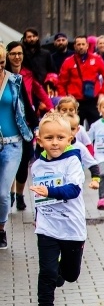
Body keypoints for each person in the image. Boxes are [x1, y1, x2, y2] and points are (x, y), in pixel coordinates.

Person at [29, 112, 87, 306]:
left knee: (70, 275)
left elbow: (73, 190)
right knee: (47, 272)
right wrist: (37, 216)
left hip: (72, 228)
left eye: (60, 138)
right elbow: (38, 197)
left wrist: (49, 191)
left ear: (69, 139)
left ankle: (61, 271)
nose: (55, 143)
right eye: (49, 138)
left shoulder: (73, 161)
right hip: (47, 228)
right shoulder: (37, 166)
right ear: (40, 140)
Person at [6, 42, 51, 213]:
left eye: (20, 53)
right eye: (13, 54)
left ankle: (19, 195)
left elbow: (33, 94)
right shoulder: (4, 76)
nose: (17, 57)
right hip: (8, 125)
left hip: (25, 124)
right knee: (9, 161)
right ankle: (9, 193)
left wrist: (48, 112)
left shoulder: (26, 74)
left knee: (24, 161)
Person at [0, 42, 35, 250]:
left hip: (12, 144)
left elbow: (26, 108)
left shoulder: (14, 81)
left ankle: (1, 229)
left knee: (3, 193)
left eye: (1, 62)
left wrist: (38, 127)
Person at [57, 35, 104, 127]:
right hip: (75, 102)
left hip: (93, 100)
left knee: (97, 127)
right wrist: (64, 99)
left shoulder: (96, 59)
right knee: (75, 128)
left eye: (83, 44)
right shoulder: (68, 62)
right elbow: (61, 83)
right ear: (74, 46)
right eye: (78, 44)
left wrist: (103, 93)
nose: (81, 47)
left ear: (87, 45)